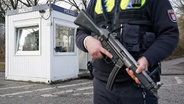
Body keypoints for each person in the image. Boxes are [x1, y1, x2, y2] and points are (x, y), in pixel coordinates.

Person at [76, 0, 179, 104]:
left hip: (138, 87)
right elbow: (81, 33)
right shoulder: (95, 2)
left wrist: (147, 58)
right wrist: (87, 41)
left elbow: (170, 34)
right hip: (102, 88)